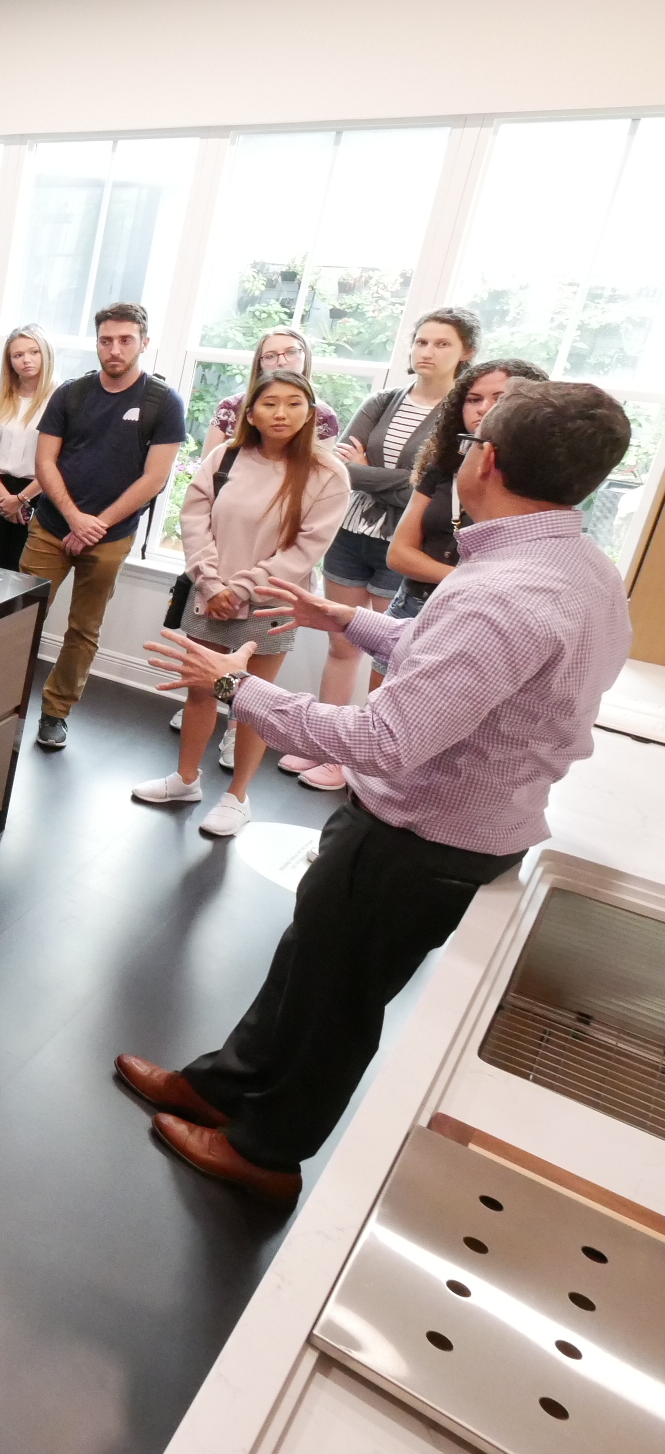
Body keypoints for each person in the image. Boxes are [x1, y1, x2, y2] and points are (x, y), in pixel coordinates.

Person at [127, 382, 635, 1203]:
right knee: (309, 963)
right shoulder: (575, 567)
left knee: (339, 1003)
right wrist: (344, 619)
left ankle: (266, 1153)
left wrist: (232, 686)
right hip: (443, 828)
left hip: (420, 840)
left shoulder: (501, 596)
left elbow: (382, 740)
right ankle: (223, 1085)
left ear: (487, 460)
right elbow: (457, 662)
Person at [131, 372, 349, 837]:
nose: (281, 413)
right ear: (251, 413)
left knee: (253, 703)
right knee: (200, 692)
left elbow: (306, 548)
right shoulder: (225, 455)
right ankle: (186, 780)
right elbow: (195, 517)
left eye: (294, 404)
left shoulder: (327, 474)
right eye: (270, 403)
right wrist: (212, 585)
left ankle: (238, 798)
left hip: (270, 603)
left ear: (311, 414)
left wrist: (244, 589)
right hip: (209, 594)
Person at [281, 308, 480, 791]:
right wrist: (397, 479)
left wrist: (374, 472)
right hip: (350, 536)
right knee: (342, 643)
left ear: (466, 354)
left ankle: (360, 762)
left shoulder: (461, 416)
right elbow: (334, 465)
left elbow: (433, 482)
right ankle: (322, 746)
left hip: (405, 544)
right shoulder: (384, 399)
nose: (426, 352)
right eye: (421, 341)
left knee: (387, 654)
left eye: (441, 344)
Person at [20, 302, 186, 751]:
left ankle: (55, 713)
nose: (114, 349)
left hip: (111, 538)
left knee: (84, 629)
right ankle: (2, 706)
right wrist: (74, 517)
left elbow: (155, 478)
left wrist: (97, 525)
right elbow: (45, 461)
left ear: (144, 343)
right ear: (97, 342)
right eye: (106, 340)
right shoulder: (70, 394)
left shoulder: (163, 403)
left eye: (125, 340)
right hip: (53, 526)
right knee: (20, 619)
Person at [386, 358, 548, 620]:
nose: (484, 409)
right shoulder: (441, 465)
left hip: (482, 614)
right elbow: (398, 555)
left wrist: (469, 584)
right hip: (413, 605)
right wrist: (469, 580)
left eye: (500, 399)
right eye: (473, 399)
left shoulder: (541, 479)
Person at [0, 324, 54, 570]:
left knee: (27, 574)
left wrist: (21, 499)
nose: (26, 360)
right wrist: (6, 498)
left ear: (46, 354)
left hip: (39, 496)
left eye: (34, 352)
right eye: (17, 355)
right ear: (9, 362)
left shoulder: (61, 400)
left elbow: (60, 464)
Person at [202, 327, 342, 454]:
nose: (281, 361)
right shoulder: (230, 407)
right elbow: (208, 470)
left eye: (291, 352)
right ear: (260, 363)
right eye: (270, 356)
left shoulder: (324, 416)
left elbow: (318, 474)